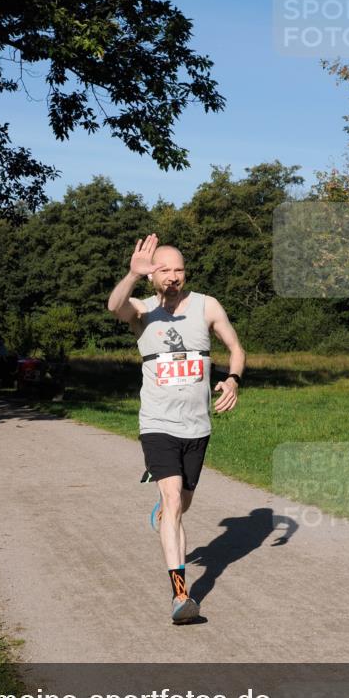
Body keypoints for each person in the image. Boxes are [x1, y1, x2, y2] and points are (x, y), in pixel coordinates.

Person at [107, 234, 245, 624]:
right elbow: (114, 306)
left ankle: (166, 515)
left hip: (197, 427)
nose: (172, 276)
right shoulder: (141, 308)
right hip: (157, 425)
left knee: (180, 506)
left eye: (178, 269)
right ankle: (181, 596)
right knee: (172, 504)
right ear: (152, 276)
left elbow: (236, 348)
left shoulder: (207, 305)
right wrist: (132, 276)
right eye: (163, 269)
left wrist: (233, 379)